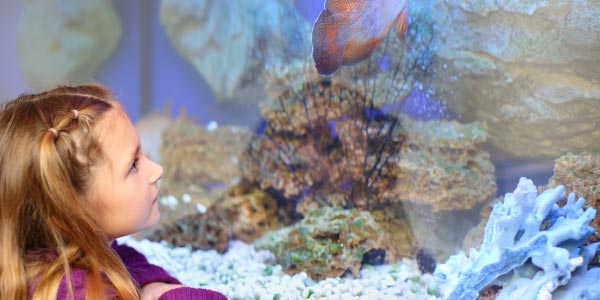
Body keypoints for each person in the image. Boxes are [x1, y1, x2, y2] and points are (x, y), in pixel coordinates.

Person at [0, 84, 227, 300]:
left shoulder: (65, 253)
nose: (157, 170)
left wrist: (151, 286)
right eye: (133, 165)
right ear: (70, 207)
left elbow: (123, 258)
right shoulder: (78, 293)